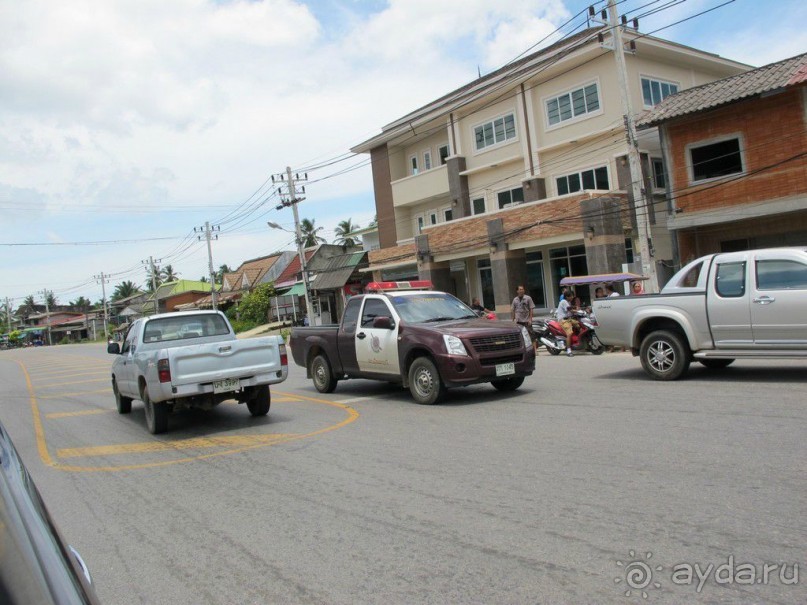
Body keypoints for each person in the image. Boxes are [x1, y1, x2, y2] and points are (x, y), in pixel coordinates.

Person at [555, 291, 579, 357]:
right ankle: (569, 350)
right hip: (563, 320)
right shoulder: (564, 302)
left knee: (579, 325)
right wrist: (578, 311)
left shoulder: (568, 302)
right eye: (571, 296)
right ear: (567, 297)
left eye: (572, 295)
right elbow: (570, 310)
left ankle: (576, 342)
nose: (572, 297)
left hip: (569, 319)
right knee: (569, 333)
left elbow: (572, 309)